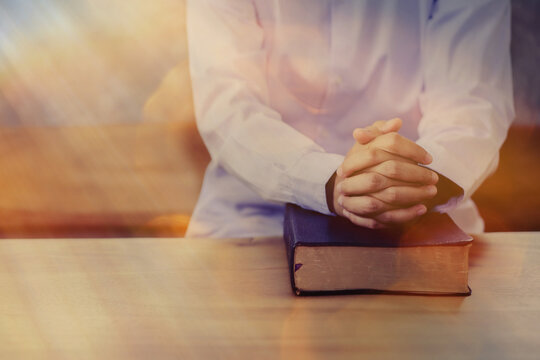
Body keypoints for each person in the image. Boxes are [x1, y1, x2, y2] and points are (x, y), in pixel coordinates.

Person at [185, 0, 514, 238]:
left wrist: (414, 183)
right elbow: (229, 106)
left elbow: (472, 101)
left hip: (425, 224)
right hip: (251, 223)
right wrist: (330, 181)